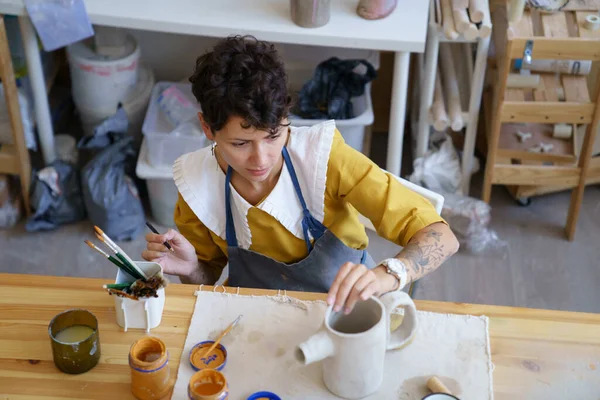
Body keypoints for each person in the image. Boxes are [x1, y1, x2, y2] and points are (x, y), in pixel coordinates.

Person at [143, 35, 459, 314]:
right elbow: (207, 276)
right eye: (240, 143)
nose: (261, 159)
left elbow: (442, 237)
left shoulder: (324, 160)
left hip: (342, 309)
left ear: (286, 116)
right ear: (207, 128)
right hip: (255, 314)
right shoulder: (198, 182)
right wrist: (189, 268)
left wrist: (390, 272)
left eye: (273, 135)